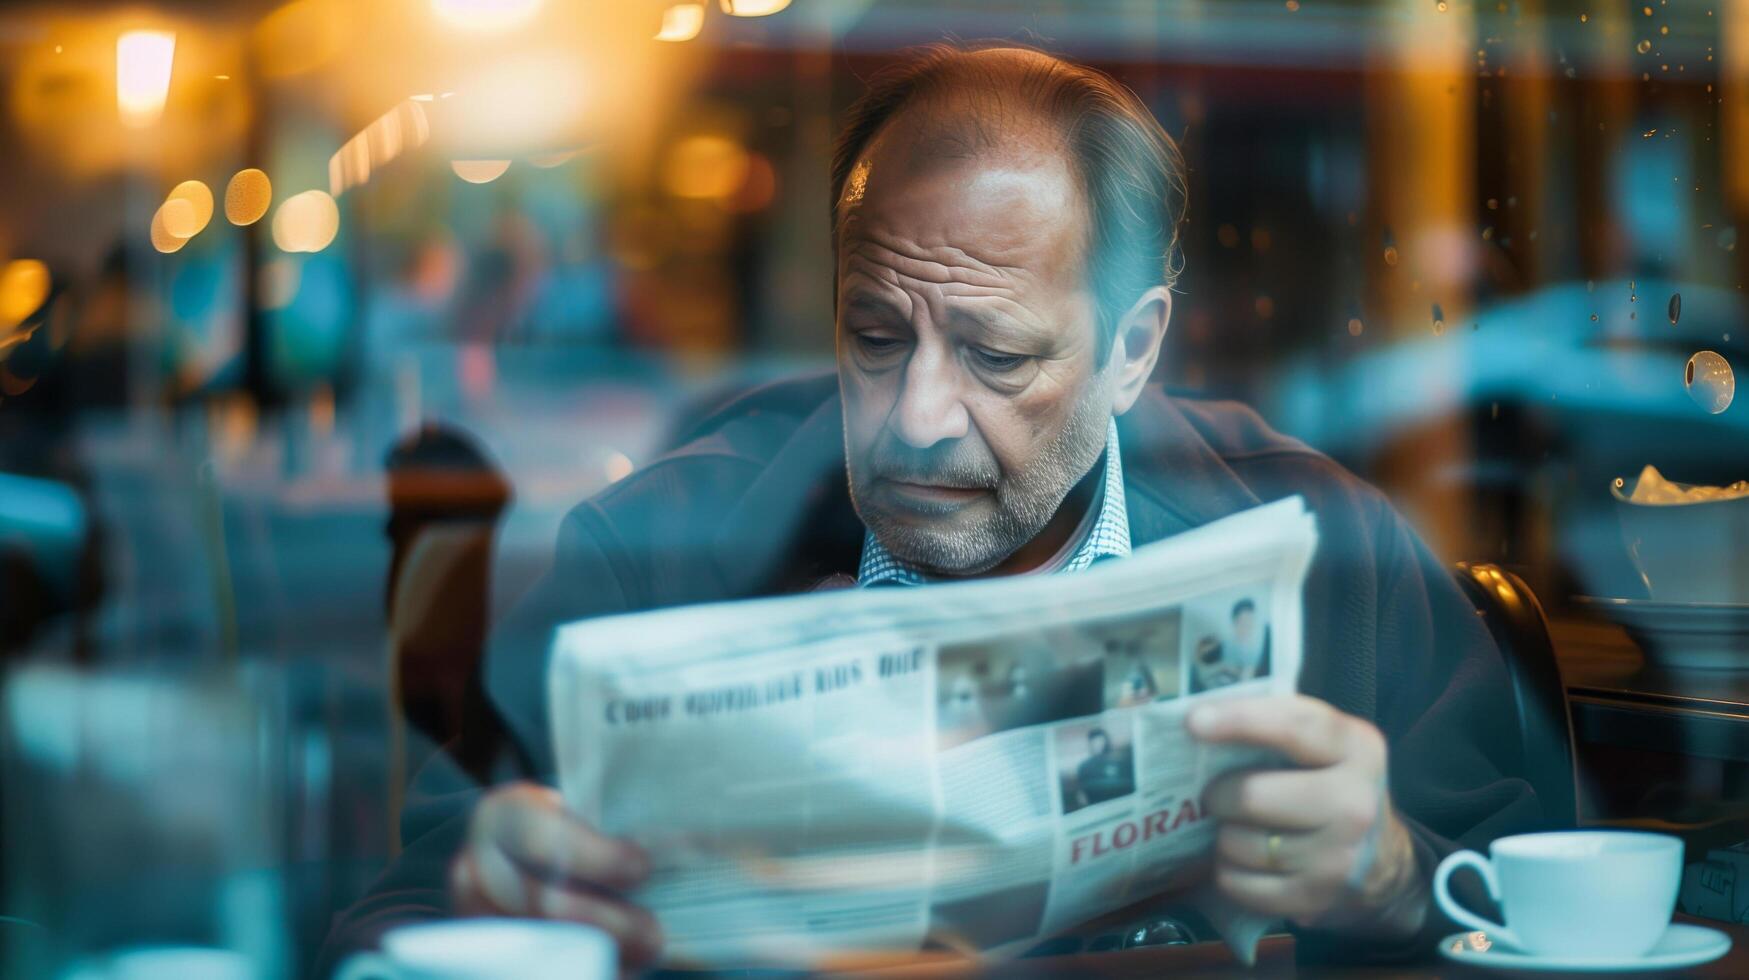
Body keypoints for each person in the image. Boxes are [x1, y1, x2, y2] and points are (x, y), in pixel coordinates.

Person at [323, 43, 1545, 972]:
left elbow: (1540, 903)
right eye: (873, 335)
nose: (916, 416)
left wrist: (1391, 872)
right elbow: (396, 915)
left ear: (1132, 350)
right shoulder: (658, 552)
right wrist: (493, 897)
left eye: (996, 357)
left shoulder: (1322, 543)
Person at [1073, 727, 1134, 808]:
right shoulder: (1084, 766)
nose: (1098, 745)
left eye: (1100, 742)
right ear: (1090, 744)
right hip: (1095, 805)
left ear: (1105, 742)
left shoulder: (1118, 762)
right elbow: (1081, 794)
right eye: (1095, 743)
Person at [1229, 596, 1271, 680]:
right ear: (1235, 623)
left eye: (1250, 621)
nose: (1248, 627)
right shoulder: (1229, 652)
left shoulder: (1257, 650)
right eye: (1244, 622)